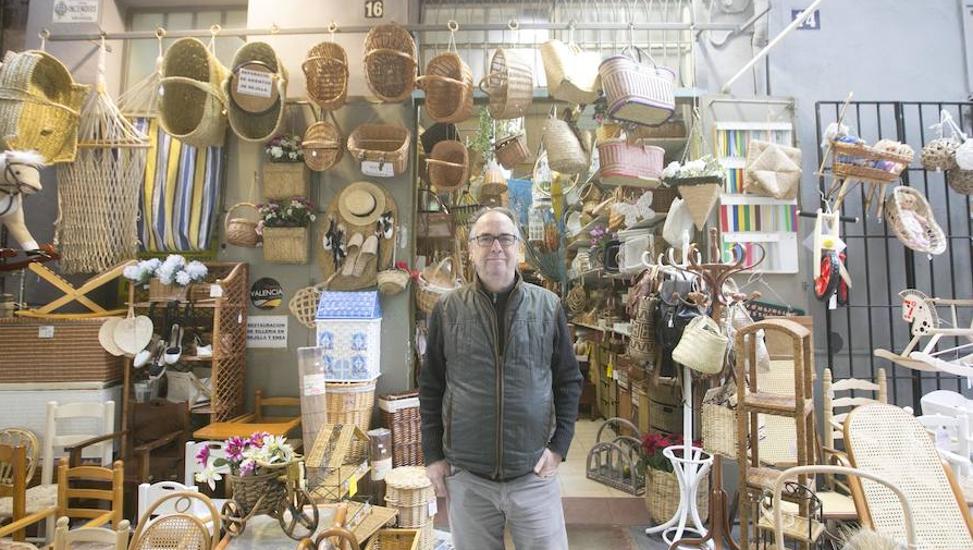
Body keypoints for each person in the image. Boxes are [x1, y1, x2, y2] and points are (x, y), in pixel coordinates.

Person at [419, 207, 582, 550]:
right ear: (471, 249)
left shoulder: (547, 307)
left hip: (533, 476)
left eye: (505, 238)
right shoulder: (447, 310)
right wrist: (433, 455)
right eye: (485, 238)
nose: (496, 247)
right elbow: (431, 386)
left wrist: (559, 446)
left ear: (518, 248)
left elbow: (568, 380)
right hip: (469, 479)